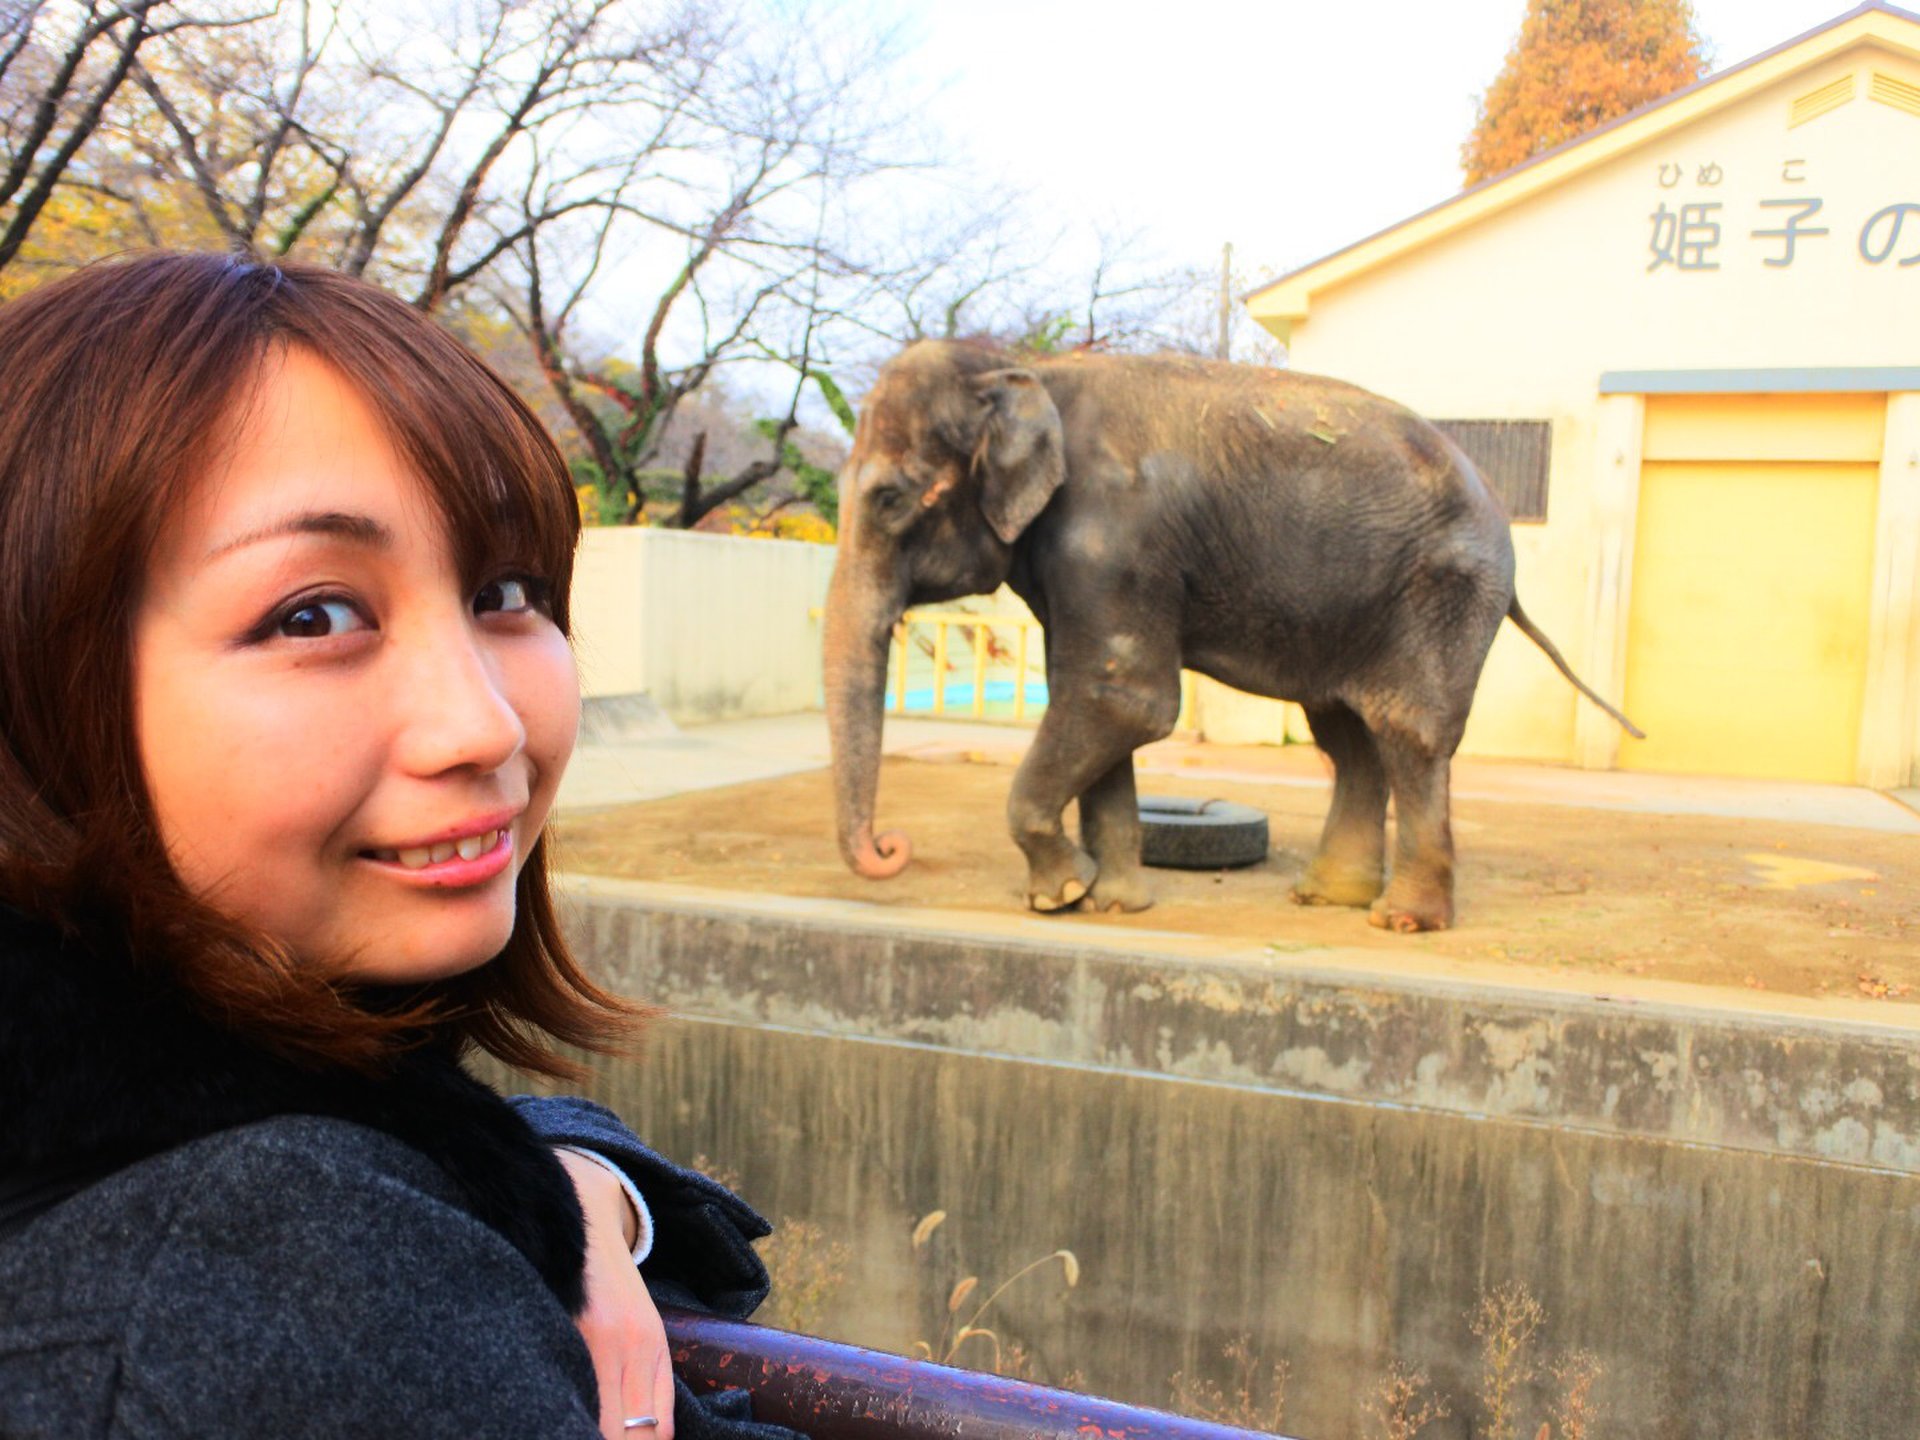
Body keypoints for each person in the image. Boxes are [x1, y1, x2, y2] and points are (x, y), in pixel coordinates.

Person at [0, 252, 800, 1440]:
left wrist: (576, 1188)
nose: (484, 724)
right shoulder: (279, 1264)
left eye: (508, 589)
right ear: (36, 688)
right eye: (312, 614)